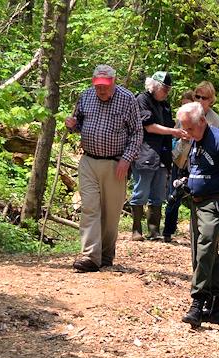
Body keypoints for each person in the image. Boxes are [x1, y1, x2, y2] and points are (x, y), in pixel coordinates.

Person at [64, 64, 143, 273]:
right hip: (89, 160)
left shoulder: (127, 99)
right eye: (98, 86)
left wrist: (127, 159)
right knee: (90, 207)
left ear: (113, 82)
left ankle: (106, 255)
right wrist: (71, 125)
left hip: (115, 163)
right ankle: (90, 256)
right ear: (93, 83)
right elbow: (78, 124)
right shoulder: (86, 96)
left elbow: (137, 133)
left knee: (111, 214)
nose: (102, 90)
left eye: (105, 86)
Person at [174, 102, 219, 327]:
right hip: (196, 203)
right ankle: (213, 307)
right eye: (185, 128)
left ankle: (197, 301)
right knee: (203, 253)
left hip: (215, 203)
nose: (188, 132)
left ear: (203, 121)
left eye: (190, 128)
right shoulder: (193, 142)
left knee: (205, 248)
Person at [131, 70, 186, 241]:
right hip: (145, 152)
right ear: (154, 87)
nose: (167, 92)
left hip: (163, 155)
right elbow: (149, 126)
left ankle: (154, 230)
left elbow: (170, 124)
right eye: (165, 89)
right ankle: (136, 230)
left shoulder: (165, 104)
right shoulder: (142, 99)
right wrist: (174, 131)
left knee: (158, 194)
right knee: (141, 191)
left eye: (169, 89)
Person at [163, 90, 197, 243]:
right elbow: (173, 136)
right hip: (179, 160)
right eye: (183, 104)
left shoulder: (200, 119)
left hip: (193, 162)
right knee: (173, 196)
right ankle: (168, 231)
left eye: (187, 103)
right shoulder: (180, 118)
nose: (184, 106)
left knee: (195, 197)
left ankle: (196, 232)